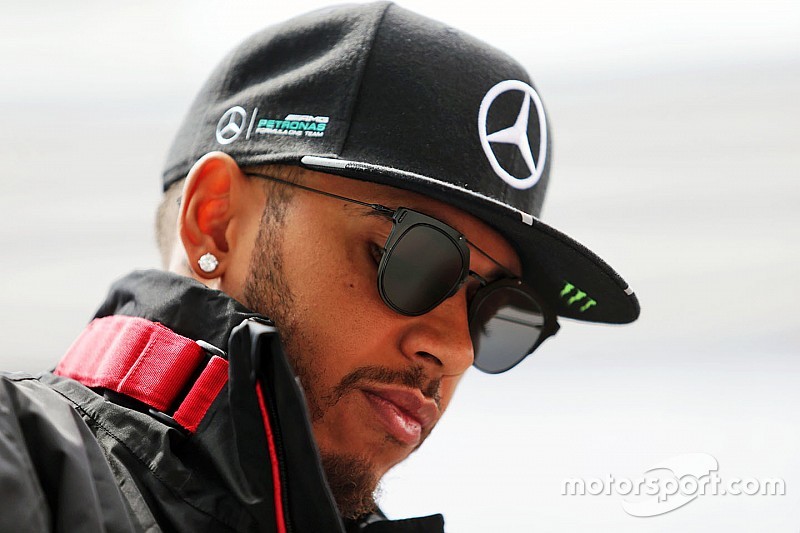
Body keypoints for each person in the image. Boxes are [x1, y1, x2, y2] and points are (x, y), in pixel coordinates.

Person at [0, 2, 640, 532]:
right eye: (412, 259)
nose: (455, 349)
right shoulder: (20, 459)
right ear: (215, 222)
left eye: (500, 314)